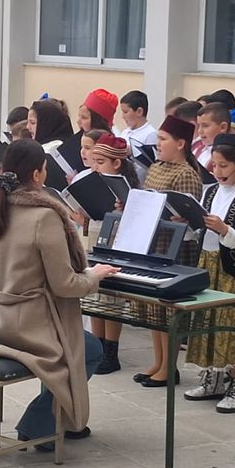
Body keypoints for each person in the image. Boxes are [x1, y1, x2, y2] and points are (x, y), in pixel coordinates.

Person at [0, 139, 118, 448]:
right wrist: (94, 275)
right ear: (38, 175)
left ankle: (52, 420)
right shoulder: (44, 216)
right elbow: (65, 285)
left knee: (79, 343)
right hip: (30, 327)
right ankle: (40, 425)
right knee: (90, 349)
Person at [182, 134, 235, 412]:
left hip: (231, 270)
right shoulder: (210, 192)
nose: (217, 171)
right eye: (214, 165)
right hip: (207, 262)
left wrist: (224, 229)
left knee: (231, 323)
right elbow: (200, 231)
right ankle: (213, 378)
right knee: (207, 319)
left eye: (224, 166)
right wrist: (189, 222)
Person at [137, 115, 203, 387]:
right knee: (154, 308)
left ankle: (169, 366)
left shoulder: (186, 173)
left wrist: (179, 217)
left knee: (168, 308)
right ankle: (158, 361)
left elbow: (189, 213)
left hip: (174, 246)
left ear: (180, 143)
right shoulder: (156, 167)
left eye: (163, 139)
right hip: (153, 241)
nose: (158, 143)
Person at [88, 133, 140, 375]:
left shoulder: (126, 187)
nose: (96, 168)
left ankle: (111, 351)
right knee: (95, 290)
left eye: (101, 162)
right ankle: (97, 346)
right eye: (94, 162)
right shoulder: (95, 181)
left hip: (117, 236)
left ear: (117, 163)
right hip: (96, 233)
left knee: (111, 294)